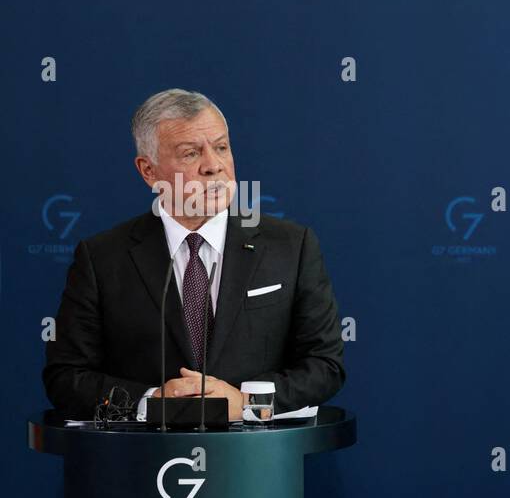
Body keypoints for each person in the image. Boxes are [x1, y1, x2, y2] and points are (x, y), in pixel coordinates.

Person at [43, 88, 345, 420]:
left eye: (221, 148)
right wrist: (151, 401)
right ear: (149, 171)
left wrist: (246, 402)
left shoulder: (291, 246)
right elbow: (66, 377)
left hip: (258, 461)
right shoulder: (101, 258)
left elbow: (325, 365)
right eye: (191, 154)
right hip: (142, 460)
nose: (213, 166)